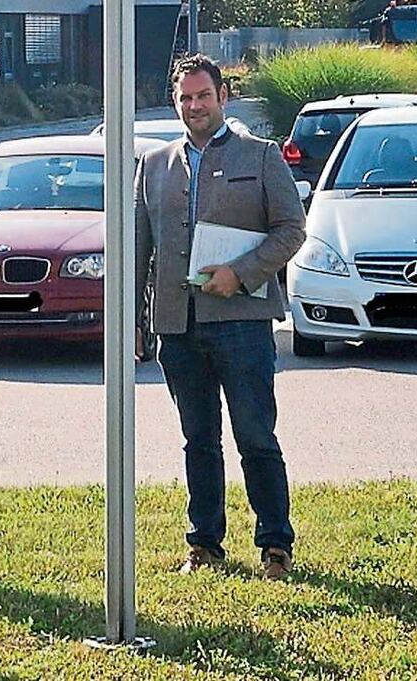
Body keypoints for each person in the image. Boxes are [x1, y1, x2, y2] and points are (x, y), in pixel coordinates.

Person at [135, 54, 306, 579]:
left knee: (255, 436)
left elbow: (291, 231)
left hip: (242, 323)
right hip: (178, 328)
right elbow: (139, 247)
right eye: (185, 98)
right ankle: (204, 544)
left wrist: (241, 273)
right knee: (199, 441)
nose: (194, 106)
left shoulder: (261, 157)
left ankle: (275, 545)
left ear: (223, 96)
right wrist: (136, 322)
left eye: (203, 96)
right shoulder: (154, 164)